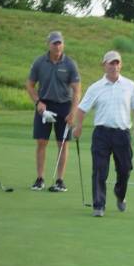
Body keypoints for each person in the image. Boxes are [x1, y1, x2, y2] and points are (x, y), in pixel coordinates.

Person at [73, 50, 134, 217]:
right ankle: (99, 205)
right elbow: (82, 109)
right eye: (111, 63)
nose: (114, 66)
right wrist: (79, 126)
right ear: (104, 65)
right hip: (101, 134)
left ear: (121, 65)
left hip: (122, 133)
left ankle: (120, 194)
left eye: (117, 62)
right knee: (99, 169)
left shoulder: (130, 85)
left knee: (125, 169)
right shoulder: (95, 87)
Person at [26, 31, 81, 192]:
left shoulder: (70, 64)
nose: (57, 46)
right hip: (44, 105)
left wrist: (73, 112)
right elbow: (29, 85)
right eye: (54, 43)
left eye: (59, 43)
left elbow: (77, 90)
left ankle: (59, 180)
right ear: (48, 45)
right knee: (42, 142)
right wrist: (38, 102)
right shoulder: (39, 62)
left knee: (62, 143)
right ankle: (40, 178)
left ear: (63, 44)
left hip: (64, 106)